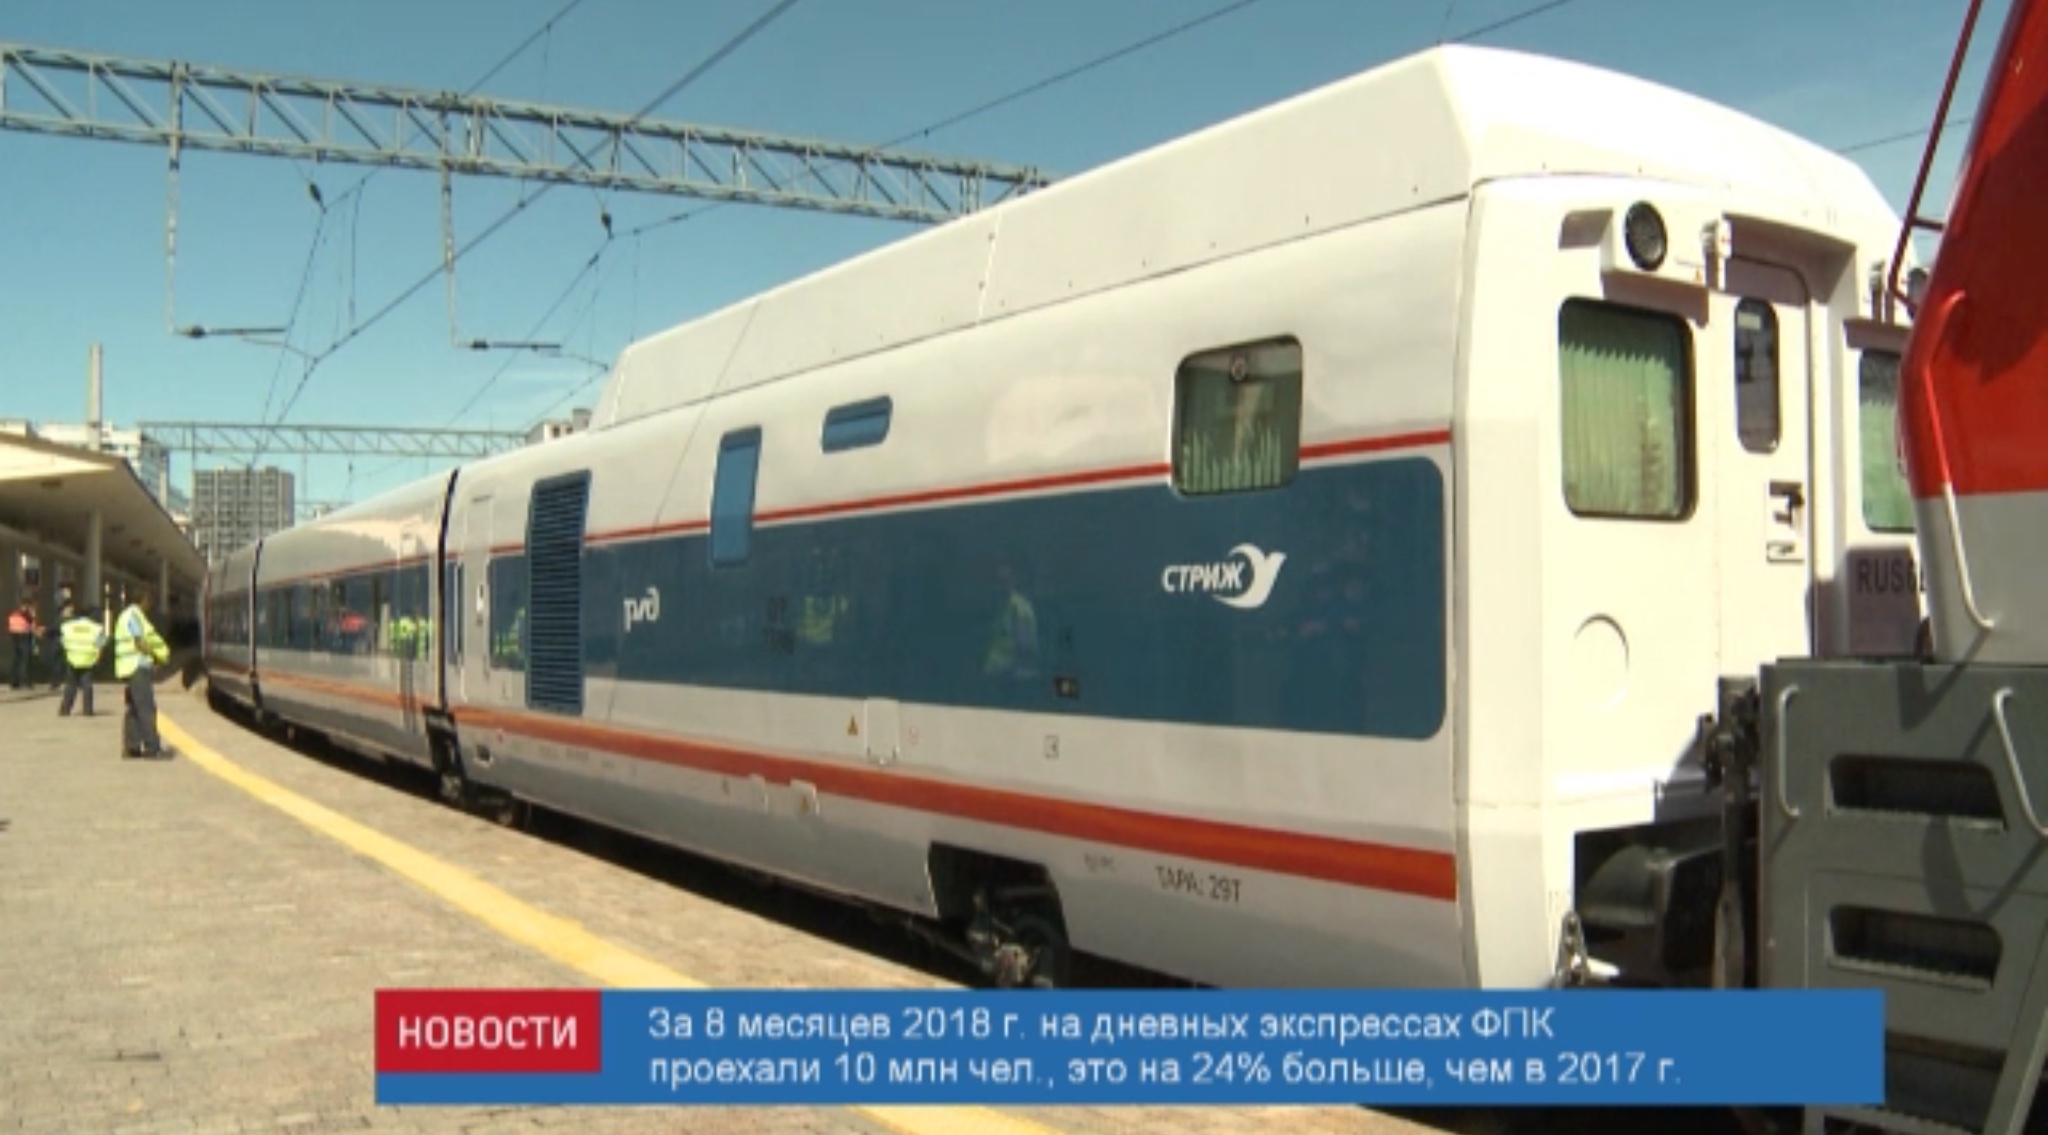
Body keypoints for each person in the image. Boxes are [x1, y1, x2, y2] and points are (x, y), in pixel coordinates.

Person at [114, 590, 171, 758]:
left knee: (134, 708)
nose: (151, 604)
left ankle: (132, 748)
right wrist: (155, 656)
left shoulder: (130, 615)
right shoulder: (133, 616)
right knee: (146, 708)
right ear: (143, 599)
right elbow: (139, 641)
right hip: (136, 666)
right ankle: (152, 748)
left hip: (129, 666)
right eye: (150, 600)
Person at [58, 604, 107, 717]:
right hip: (88, 659)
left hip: (72, 657)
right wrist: (98, 657)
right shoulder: (96, 628)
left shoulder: (68, 626)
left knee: (70, 685)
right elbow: (101, 643)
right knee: (87, 686)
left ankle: (65, 710)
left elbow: (63, 640)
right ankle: (87, 710)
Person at [7, 600, 33, 689]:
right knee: (25, 660)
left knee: (16, 660)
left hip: (14, 637)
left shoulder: (13, 614)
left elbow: (10, 626)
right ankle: (26, 681)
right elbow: (30, 625)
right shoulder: (26, 615)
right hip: (24, 636)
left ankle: (14, 682)